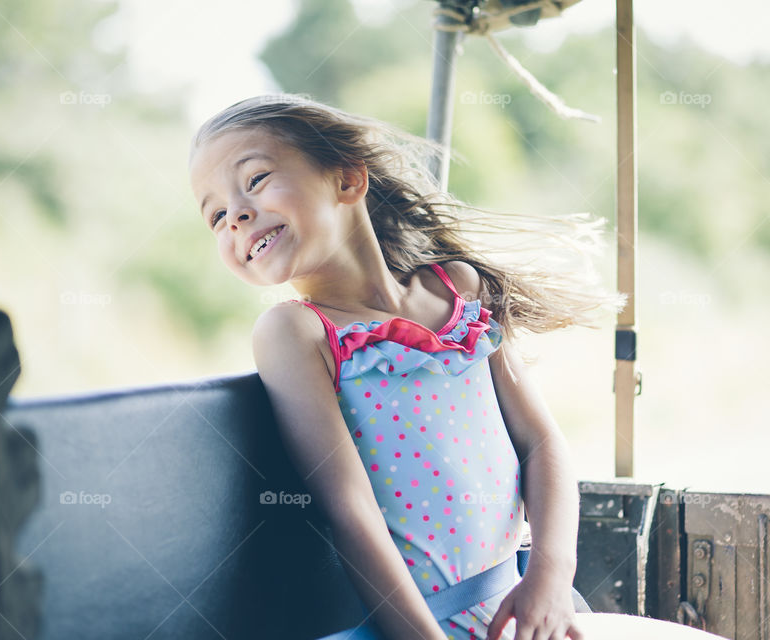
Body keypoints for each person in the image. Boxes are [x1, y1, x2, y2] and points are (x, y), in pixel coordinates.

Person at [188, 94, 628, 640]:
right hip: (416, 625)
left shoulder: (460, 290)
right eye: (216, 216)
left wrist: (551, 574)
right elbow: (351, 510)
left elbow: (541, 442)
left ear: (347, 180)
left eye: (254, 181)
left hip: (523, 606)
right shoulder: (295, 333)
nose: (237, 216)